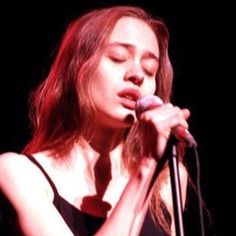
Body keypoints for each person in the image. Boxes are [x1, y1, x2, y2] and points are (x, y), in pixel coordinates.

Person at [0, 5, 191, 236]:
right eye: (118, 58)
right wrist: (147, 166)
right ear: (77, 68)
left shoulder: (167, 180)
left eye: (150, 70)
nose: (137, 75)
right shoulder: (17, 174)